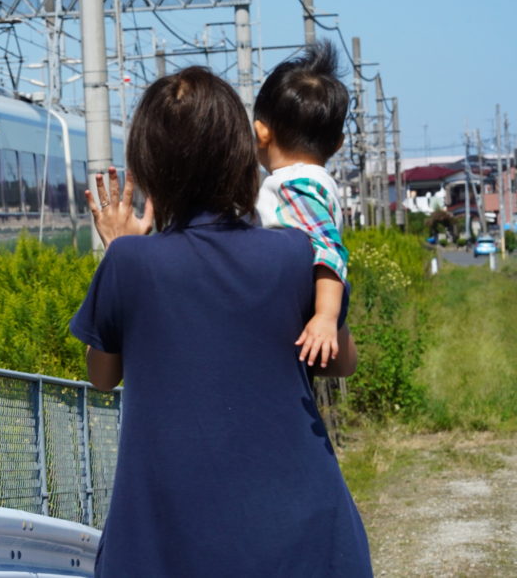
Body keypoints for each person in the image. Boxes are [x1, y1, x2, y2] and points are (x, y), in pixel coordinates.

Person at [71, 66, 372, 576]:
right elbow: (341, 362)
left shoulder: (130, 262)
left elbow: (102, 376)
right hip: (305, 538)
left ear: (148, 165)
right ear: (239, 151)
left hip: (166, 542)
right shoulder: (295, 253)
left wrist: (118, 251)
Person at [253, 39, 350, 370]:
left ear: (260, 133)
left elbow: (328, 249)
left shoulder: (295, 185)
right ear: (337, 144)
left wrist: (325, 316)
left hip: (295, 309)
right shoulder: (315, 179)